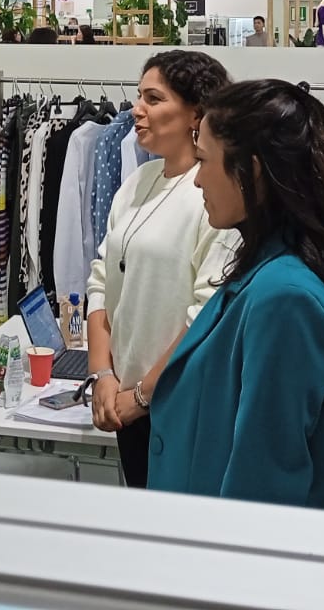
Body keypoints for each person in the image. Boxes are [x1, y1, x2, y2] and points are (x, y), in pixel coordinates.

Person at [148, 80, 324, 511]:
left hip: (245, 540)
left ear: (251, 171)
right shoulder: (274, 267)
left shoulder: (286, 298)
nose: (198, 180)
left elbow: (265, 479)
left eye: (204, 160)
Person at [86, 51, 234, 488]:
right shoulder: (138, 182)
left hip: (179, 405)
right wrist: (102, 375)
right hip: (124, 401)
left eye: (153, 99)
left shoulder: (215, 197)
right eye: (139, 97)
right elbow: (101, 280)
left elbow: (207, 315)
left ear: (196, 114)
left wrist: (143, 396)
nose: (137, 109)